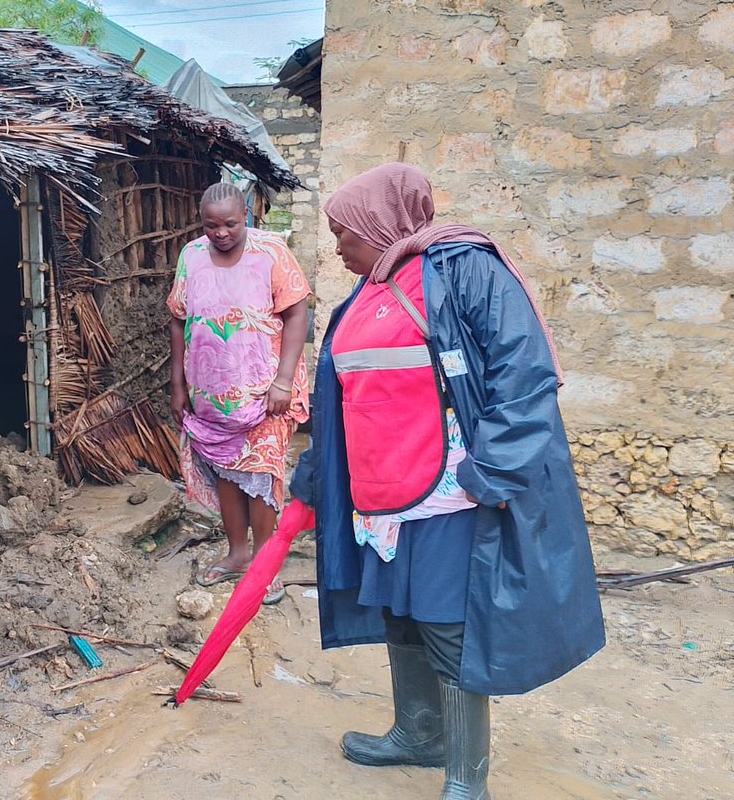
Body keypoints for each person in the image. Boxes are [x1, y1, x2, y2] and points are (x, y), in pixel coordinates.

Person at [289, 163, 605, 799]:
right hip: (382, 491)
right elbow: (343, 396)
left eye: (344, 231)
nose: (338, 245)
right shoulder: (370, 290)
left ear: (378, 224)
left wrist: (494, 471)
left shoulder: (464, 270)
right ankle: (419, 732)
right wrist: (316, 476)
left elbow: (523, 374)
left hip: (449, 491)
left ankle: (466, 781)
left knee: (446, 621)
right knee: (400, 612)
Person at [167, 181, 311, 604]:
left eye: (230, 224)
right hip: (210, 393)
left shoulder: (271, 252)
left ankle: (265, 563)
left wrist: (284, 380)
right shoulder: (191, 255)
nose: (221, 233)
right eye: (211, 226)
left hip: (266, 393)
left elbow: (297, 312)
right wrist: (178, 385)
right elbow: (178, 319)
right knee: (227, 470)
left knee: (261, 471)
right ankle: (237, 554)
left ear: (245, 214)